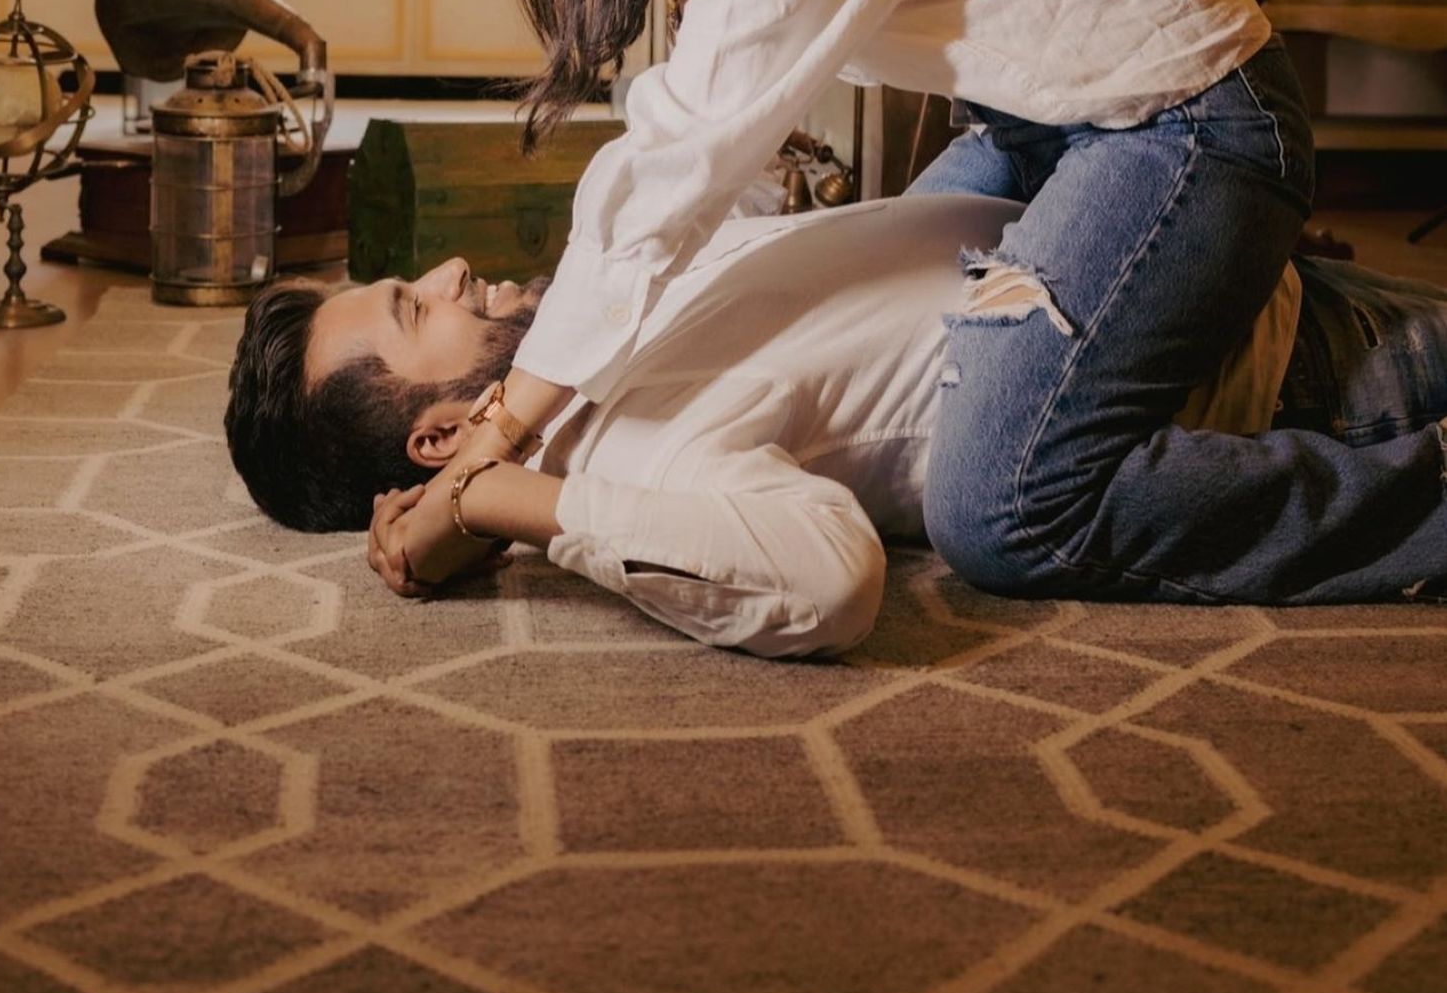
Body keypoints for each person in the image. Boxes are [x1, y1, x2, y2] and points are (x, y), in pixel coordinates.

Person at [378, 0, 1447, 606]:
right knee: (913, 329)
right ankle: (1317, 323)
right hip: (1046, 122)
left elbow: (675, 165)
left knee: (1005, 507)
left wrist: (500, 436)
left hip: (1185, 119)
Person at [222, 195, 1447, 657]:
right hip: (1314, 377)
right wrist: (502, 502)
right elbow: (826, 584)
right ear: (440, 437)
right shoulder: (634, 454)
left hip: (1209, 269)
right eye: (415, 308)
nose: (447, 270)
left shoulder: (588, 335)